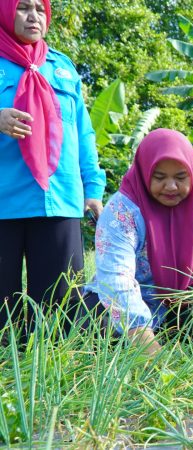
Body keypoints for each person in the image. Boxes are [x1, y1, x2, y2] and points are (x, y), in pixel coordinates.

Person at [81, 129, 193, 356]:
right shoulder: (122, 210)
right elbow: (116, 278)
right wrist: (144, 341)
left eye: (180, 177)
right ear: (144, 172)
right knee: (92, 323)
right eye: (159, 178)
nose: (170, 186)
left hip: (188, 301)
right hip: (134, 303)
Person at [0, 0, 106, 338]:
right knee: (3, 309)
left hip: (58, 198)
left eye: (40, 9)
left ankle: (55, 381)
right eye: (23, 8)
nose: (33, 16)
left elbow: (84, 133)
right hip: (4, 201)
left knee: (61, 307)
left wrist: (93, 190)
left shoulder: (62, 67)